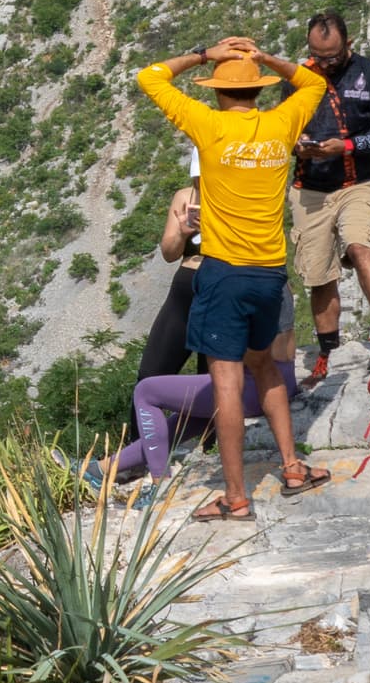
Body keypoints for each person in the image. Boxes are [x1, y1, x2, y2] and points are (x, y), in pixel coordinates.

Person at [134, 36, 330, 519]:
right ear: (258, 91)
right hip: (270, 274)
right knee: (263, 366)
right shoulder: (282, 124)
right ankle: (292, 467)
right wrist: (266, 60)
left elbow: (150, 76)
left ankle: (236, 497)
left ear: (219, 92)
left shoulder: (209, 126)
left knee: (225, 379)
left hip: (223, 274)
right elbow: (314, 81)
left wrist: (202, 55)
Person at [289, 11, 370, 381]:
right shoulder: (298, 78)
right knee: (319, 274)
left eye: (332, 57)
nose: (324, 63)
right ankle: (328, 354)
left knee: (359, 244)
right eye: (317, 56)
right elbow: (283, 127)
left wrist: (348, 146)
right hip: (310, 187)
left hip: (359, 181)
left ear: (349, 45)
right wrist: (298, 147)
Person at [112, 185, 222, 485]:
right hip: (186, 285)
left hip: (224, 284)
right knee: (150, 373)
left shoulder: (238, 188)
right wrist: (184, 232)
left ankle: (213, 449)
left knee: (212, 375)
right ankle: (139, 455)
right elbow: (169, 252)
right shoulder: (186, 196)